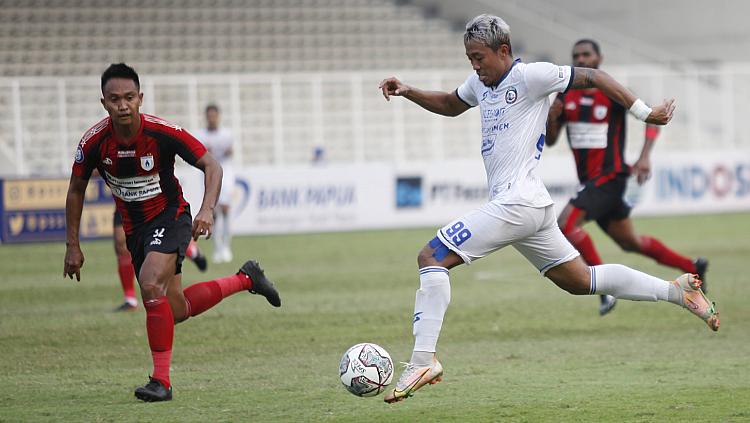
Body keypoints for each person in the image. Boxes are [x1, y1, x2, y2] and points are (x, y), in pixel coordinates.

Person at [378, 14, 719, 404]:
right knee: (579, 281)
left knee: (432, 256)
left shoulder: (531, 77)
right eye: (469, 58)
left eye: (479, 57)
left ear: (503, 51)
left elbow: (593, 77)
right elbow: (451, 104)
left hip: (517, 203)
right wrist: (407, 90)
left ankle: (422, 359)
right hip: (531, 208)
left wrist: (643, 112)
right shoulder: (481, 82)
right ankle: (677, 292)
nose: (474, 65)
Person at [63, 63, 282, 402]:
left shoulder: (161, 132)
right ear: (103, 102)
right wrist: (72, 246)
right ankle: (246, 279)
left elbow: (212, 164)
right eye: (115, 99)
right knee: (175, 309)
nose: (123, 105)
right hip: (136, 231)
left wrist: (206, 209)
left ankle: (161, 382)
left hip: (171, 216)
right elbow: (76, 189)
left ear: (141, 98)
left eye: (130, 97)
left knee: (151, 282)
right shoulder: (94, 142)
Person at [546, 39, 709, 316]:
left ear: (599, 58)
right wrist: (551, 116)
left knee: (566, 224)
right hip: (591, 182)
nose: (581, 59)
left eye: (587, 54)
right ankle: (693, 266)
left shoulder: (612, 90)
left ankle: (605, 289)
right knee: (630, 242)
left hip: (610, 177)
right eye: (576, 56)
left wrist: (645, 156)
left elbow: (650, 118)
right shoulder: (565, 96)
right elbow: (550, 140)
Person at [112, 209, 208, 312]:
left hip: (155, 202)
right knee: (121, 243)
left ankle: (190, 249)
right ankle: (130, 299)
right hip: (126, 201)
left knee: (158, 242)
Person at [194, 105, 235, 263]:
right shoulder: (201, 135)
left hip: (226, 171)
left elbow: (230, 151)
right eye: (209, 116)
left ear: (218, 116)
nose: (212, 118)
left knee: (226, 208)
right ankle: (218, 248)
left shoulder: (227, 134)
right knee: (213, 212)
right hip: (209, 173)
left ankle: (226, 246)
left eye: (214, 115)